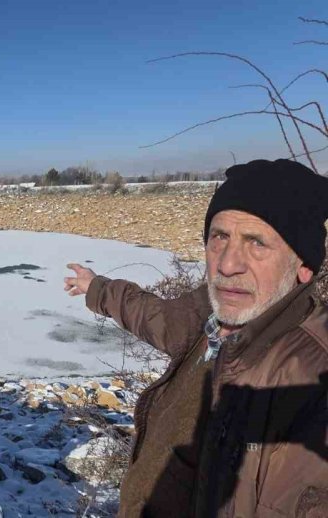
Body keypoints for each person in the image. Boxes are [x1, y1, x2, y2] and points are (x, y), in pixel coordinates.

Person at [64, 159, 328, 517]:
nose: (228, 264)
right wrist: (97, 288)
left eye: (256, 243)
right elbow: (153, 316)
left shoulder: (308, 381)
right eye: (220, 237)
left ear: (303, 267)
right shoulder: (211, 316)